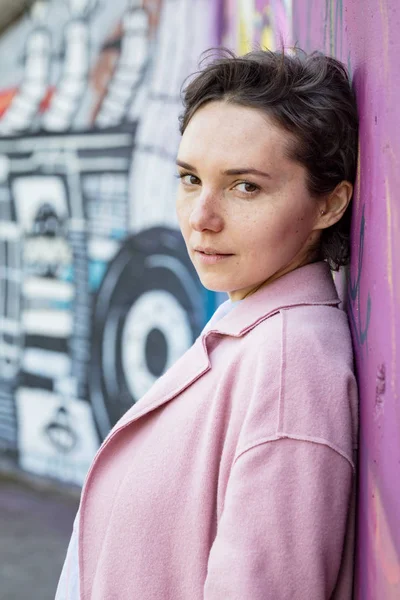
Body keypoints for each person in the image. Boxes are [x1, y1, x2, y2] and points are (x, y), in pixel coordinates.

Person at [56, 48, 359, 599]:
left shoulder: (291, 368)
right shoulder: (249, 331)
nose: (202, 218)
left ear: (329, 205)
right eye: (190, 178)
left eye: (246, 186)